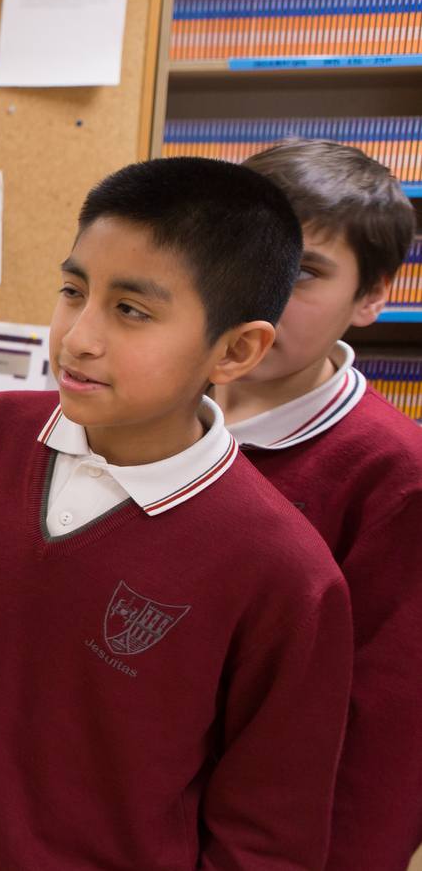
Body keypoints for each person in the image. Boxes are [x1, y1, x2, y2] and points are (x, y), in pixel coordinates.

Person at [0, 157, 352, 869]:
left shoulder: (283, 573)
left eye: (130, 310)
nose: (77, 337)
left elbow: (270, 828)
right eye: (72, 290)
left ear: (235, 349)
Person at [214, 139, 422, 870]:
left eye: (303, 271)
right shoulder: (147, 406)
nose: (260, 290)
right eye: (244, 250)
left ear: (370, 297)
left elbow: (385, 731)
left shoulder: (394, 474)